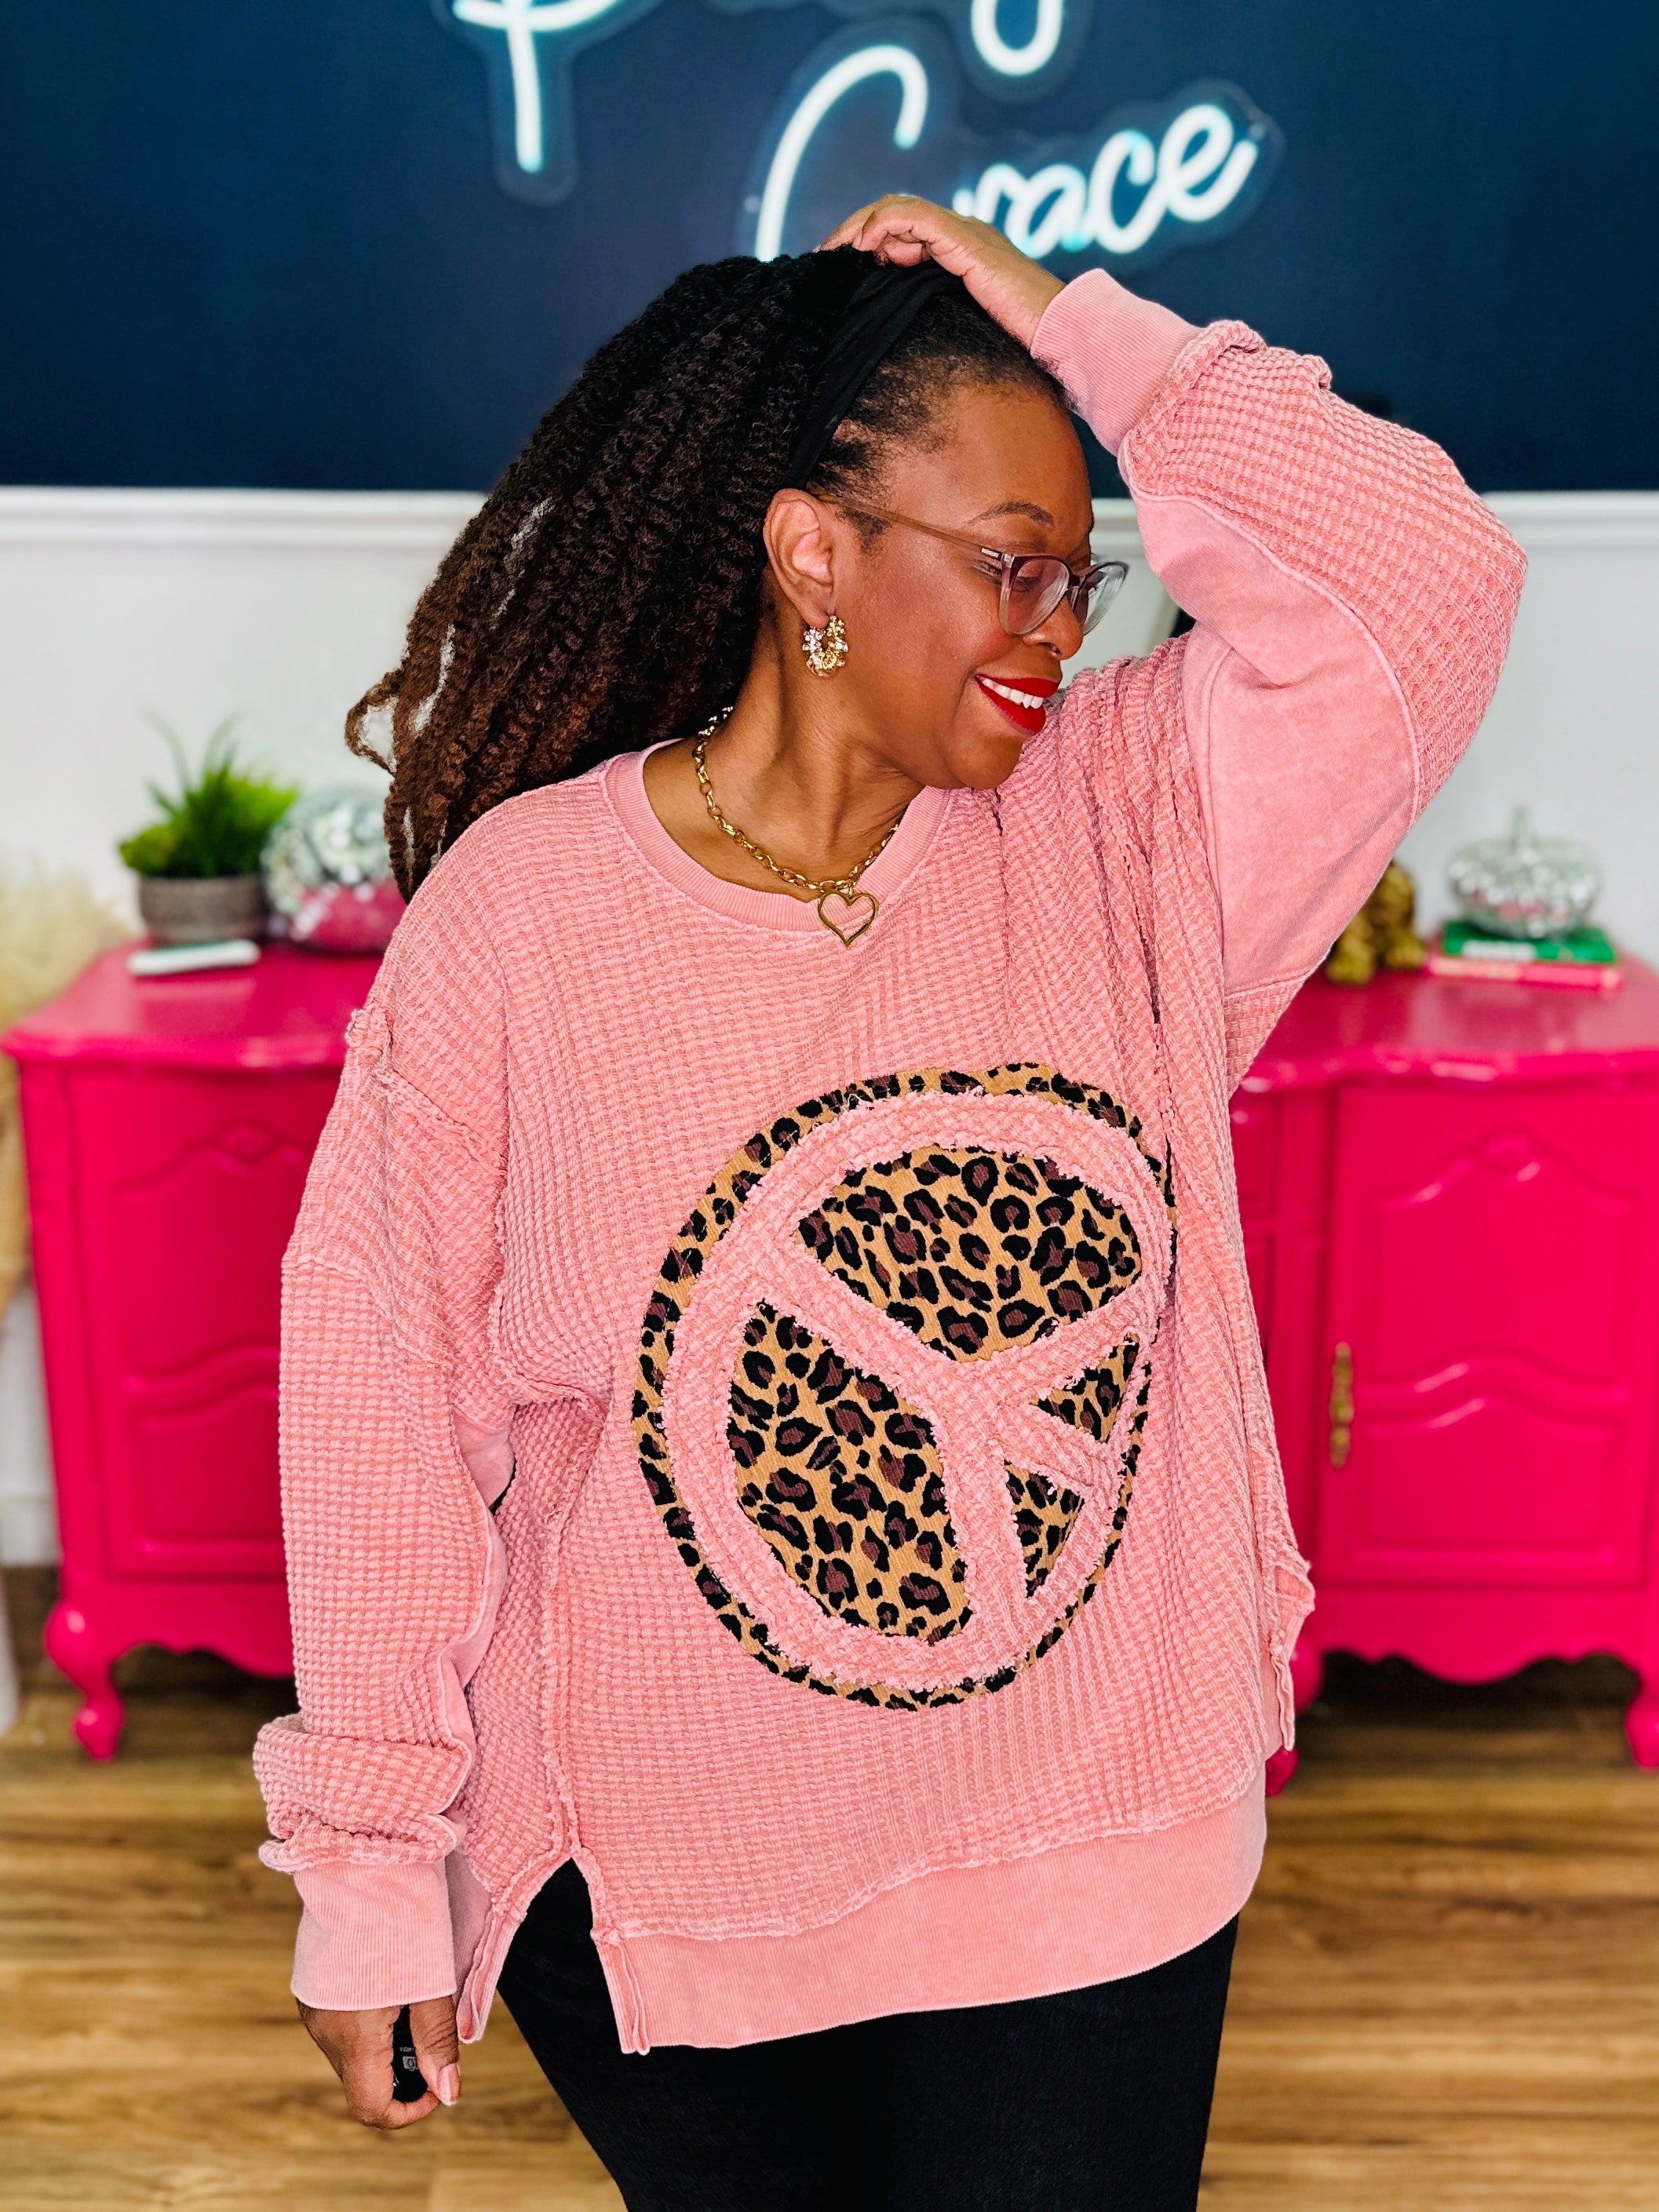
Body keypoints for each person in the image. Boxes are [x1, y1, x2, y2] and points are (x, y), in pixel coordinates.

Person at [256, 198, 1524, 2208]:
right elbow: (386, 1407)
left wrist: (1070, 323)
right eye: (1011, 565)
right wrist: (367, 1867)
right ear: (811, 551)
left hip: (1078, 1871)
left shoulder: (1134, 823)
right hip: (665, 1889)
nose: (1058, 627)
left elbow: (1427, 576)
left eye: (1078, 576)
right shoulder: (526, 913)